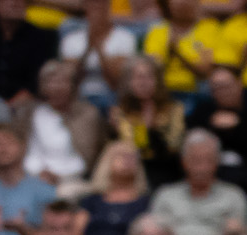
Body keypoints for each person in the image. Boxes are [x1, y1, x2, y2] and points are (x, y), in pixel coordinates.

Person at [187, 63, 247, 197]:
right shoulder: (203, 111)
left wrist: (238, 126)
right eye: (216, 88)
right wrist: (211, 124)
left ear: (239, 84)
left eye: (226, 86)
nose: (222, 92)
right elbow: (191, 145)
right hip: (213, 176)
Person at [21, 59, 104, 190]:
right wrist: (39, 173)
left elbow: (87, 159)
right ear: (43, 86)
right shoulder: (33, 113)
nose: (57, 87)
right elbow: (31, 152)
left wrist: (59, 175)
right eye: (52, 82)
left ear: (72, 86)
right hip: (36, 177)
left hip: (73, 180)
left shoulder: (87, 114)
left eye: (63, 82)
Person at [108, 56, 185, 187]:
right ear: (128, 82)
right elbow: (130, 148)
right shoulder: (119, 112)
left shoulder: (174, 109)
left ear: (158, 81)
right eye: (137, 77)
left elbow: (173, 146)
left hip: (167, 170)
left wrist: (151, 129)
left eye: (149, 77)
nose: (143, 82)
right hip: (132, 172)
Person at [60, 0, 141, 110]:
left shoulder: (125, 37)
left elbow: (117, 81)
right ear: (85, 6)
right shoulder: (71, 40)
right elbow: (70, 80)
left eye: (101, 3)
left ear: (108, 6)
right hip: (79, 97)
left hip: (113, 97)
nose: (97, 7)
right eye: (92, 3)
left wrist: (99, 49)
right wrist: (88, 49)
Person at [81, 141, 153, 235]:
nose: (128, 161)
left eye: (132, 157)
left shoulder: (146, 203)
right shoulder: (91, 201)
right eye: (121, 156)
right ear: (107, 162)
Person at [141, 0, 218, 99]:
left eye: (187, 3)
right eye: (179, 4)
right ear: (168, 6)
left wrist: (178, 53)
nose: (184, 7)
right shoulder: (157, 31)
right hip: (165, 90)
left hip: (197, 90)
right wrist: (169, 52)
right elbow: (153, 68)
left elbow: (205, 71)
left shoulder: (209, 28)